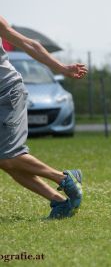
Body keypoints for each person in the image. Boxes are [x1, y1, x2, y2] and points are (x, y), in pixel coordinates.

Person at [0, 15, 88, 219]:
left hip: (7, 92)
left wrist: (61, 67)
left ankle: (64, 178)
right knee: (4, 160)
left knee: (8, 156)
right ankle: (60, 203)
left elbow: (28, 43)